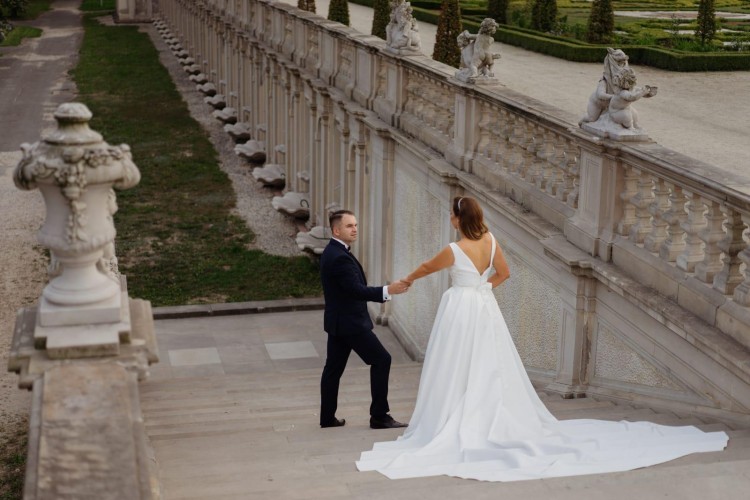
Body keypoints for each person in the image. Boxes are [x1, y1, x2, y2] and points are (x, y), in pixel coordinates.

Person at [356, 196, 728, 481]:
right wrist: (484, 287)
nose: (450, 220)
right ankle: (481, 409)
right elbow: (504, 273)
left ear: (458, 218)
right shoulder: (491, 240)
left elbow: (427, 267)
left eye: (452, 216)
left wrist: (407, 280)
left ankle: (451, 414)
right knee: (486, 360)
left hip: (460, 307)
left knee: (453, 361)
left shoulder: (454, 249)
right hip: (482, 306)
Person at [319, 210, 410, 430]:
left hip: (339, 322)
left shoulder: (333, 251)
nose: (355, 229)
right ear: (336, 230)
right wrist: (388, 290)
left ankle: (327, 418)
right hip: (350, 324)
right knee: (382, 360)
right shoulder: (339, 257)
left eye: (356, 225)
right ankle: (379, 416)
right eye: (349, 226)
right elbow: (356, 290)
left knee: (332, 370)